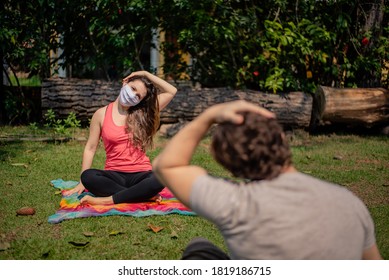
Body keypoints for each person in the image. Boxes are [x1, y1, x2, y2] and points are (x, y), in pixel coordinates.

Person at [152, 100, 382, 260]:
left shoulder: (236, 204)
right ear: (282, 138)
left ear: (229, 166)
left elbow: (166, 165)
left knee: (199, 251)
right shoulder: (349, 202)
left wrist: (210, 115)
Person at [68, 71, 177, 205]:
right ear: (125, 82)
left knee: (160, 177)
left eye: (138, 96)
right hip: (114, 175)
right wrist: (81, 183)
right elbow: (90, 148)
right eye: (133, 88)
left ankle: (107, 200)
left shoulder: (143, 112)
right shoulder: (101, 114)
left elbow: (171, 91)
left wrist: (145, 74)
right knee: (88, 177)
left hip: (141, 174)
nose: (133, 95)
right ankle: (141, 195)